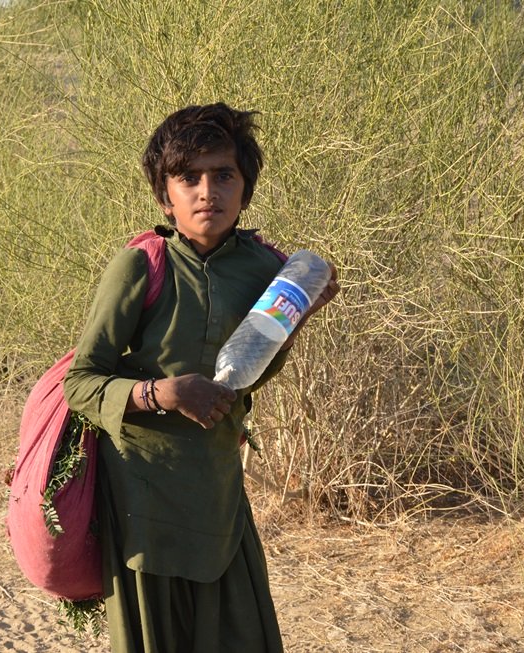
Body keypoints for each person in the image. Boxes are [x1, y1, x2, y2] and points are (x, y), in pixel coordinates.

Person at [64, 102, 339, 653]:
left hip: (218, 499)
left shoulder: (267, 269)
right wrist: (161, 392)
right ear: (165, 195)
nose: (206, 190)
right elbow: (82, 383)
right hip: (143, 504)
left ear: (245, 189)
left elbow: (245, 377)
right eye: (188, 177)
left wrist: (296, 320)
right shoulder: (140, 266)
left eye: (223, 175)